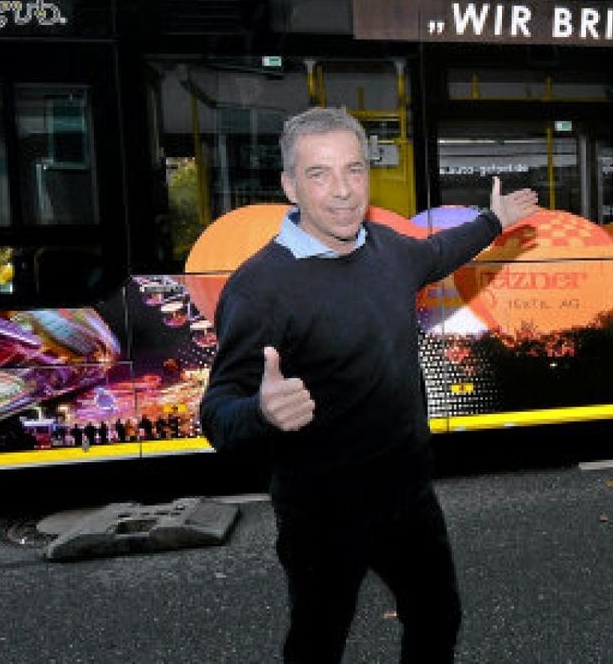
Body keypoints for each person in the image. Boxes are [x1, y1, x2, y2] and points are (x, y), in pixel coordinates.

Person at [200, 106, 538, 664]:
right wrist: (261, 414)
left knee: (437, 616)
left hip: (407, 492)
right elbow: (218, 414)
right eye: (319, 174)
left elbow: (436, 254)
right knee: (318, 640)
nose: (342, 191)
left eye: (354, 170)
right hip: (322, 510)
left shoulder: (387, 249)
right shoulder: (260, 287)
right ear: (290, 186)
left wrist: (492, 222)